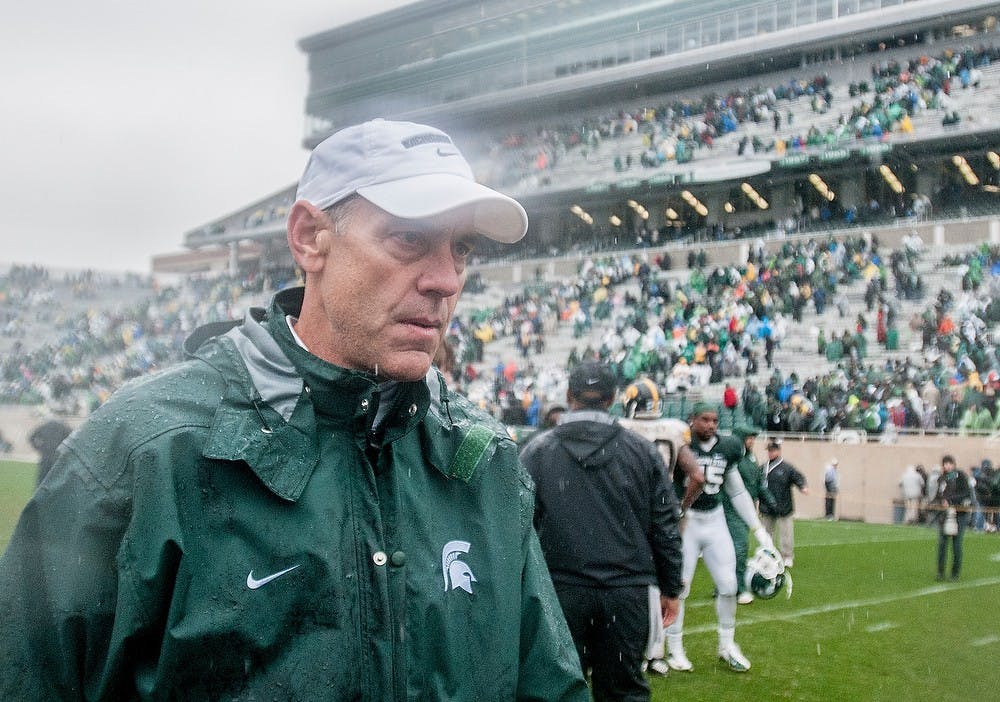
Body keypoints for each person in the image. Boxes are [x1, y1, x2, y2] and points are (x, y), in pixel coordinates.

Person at [0, 119, 589, 701]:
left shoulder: (481, 461)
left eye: (461, 249)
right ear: (310, 238)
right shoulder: (148, 450)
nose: (444, 280)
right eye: (409, 238)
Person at [520, 361, 683, 701]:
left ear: (569, 396)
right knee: (623, 691)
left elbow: (518, 527)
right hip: (624, 594)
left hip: (560, 593)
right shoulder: (642, 452)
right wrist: (670, 586)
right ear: (611, 399)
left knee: (558, 690)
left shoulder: (537, 451)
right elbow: (665, 525)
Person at [663, 403, 776, 673]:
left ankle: (727, 645)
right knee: (680, 588)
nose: (711, 425)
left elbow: (737, 492)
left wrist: (758, 530)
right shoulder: (681, 445)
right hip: (686, 523)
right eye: (705, 420)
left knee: (728, 586)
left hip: (715, 520)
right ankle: (674, 648)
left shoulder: (728, 447)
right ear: (692, 419)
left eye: (714, 420)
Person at [722, 423, 777, 605]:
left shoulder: (751, 458)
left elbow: (759, 483)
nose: (751, 441)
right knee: (739, 548)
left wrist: (769, 499)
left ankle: (723, 586)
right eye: (748, 438)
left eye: (753, 438)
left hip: (747, 509)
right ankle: (739, 589)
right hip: (731, 508)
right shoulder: (733, 458)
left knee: (730, 550)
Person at [760, 438, 810, 567]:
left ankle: (787, 556)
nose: (770, 453)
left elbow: (798, 477)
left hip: (784, 505)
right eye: (769, 450)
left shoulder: (787, 468)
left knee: (786, 533)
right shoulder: (763, 468)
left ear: (778, 451)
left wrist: (802, 486)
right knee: (765, 533)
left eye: (773, 450)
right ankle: (766, 554)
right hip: (766, 506)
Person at [934, 455, 973, 581]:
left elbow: (966, 493)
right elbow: (938, 495)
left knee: (956, 545)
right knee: (942, 545)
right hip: (945, 515)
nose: (947, 466)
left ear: (954, 464)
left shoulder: (960, 475)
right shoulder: (942, 478)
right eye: (945, 464)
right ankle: (940, 572)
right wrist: (937, 502)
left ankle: (955, 573)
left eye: (949, 463)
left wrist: (950, 500)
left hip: (959, 514)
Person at [27, 417, 72, 486]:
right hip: (58, 458)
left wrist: (39, 448)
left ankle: (39, 495)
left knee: (41, 480)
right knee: (57, 481)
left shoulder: (44, 426)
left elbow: (31, 437)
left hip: (46, 456)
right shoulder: (65, 428)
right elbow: (72, 440)